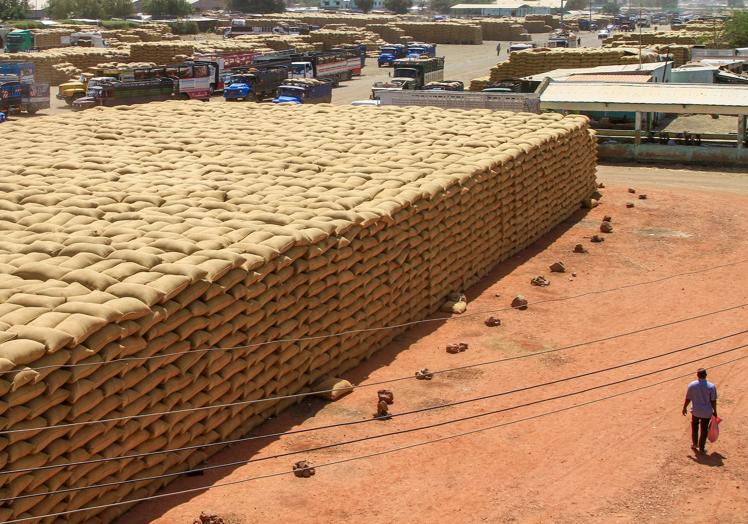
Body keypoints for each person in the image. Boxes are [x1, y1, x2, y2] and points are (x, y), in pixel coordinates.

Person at [682, 368, 717, 454]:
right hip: (707, 412)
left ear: (697, 375)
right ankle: (701, 448)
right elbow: (713, 400)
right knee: (704, 430)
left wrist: (684, 408)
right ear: (706, 375)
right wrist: (715, 411)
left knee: (694, 427)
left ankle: (694, 444)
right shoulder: (711, 386)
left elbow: (688, 398)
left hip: (696, 411)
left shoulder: (692, 385)